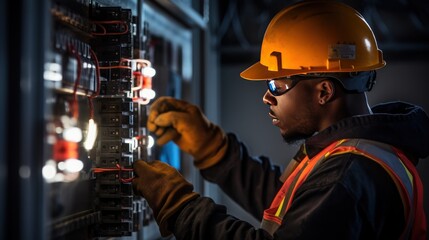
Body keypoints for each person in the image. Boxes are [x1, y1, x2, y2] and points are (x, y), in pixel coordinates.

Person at [132, 1, 429, 239]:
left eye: (277, 84)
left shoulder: (348, 172)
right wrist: (216, 151)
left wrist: (179, 207)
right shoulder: (361, 153)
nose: (267, 97)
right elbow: (294, 206)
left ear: (324, 91)